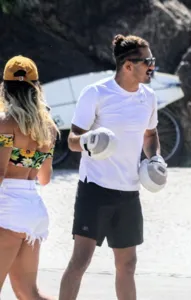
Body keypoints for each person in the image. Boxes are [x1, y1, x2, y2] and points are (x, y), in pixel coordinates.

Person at [58, 34, 168, 300]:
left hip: (129, 192)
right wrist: (88, 142)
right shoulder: (96, 93)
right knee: (80, 261)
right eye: (147, 61)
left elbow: (150, 135)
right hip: (94, 189)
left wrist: (154, 159)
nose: (152, 66)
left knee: (128, 264)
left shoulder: (149, 97)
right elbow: (71, 140)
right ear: (128, 65)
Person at [0, 55, 58, 300]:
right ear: (36, 87)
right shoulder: (48, 128)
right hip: (33, 211)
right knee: (28, 292)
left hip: (8, 211)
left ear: (5, 87)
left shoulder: (6, 124)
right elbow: (44, 178)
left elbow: (0, 172)